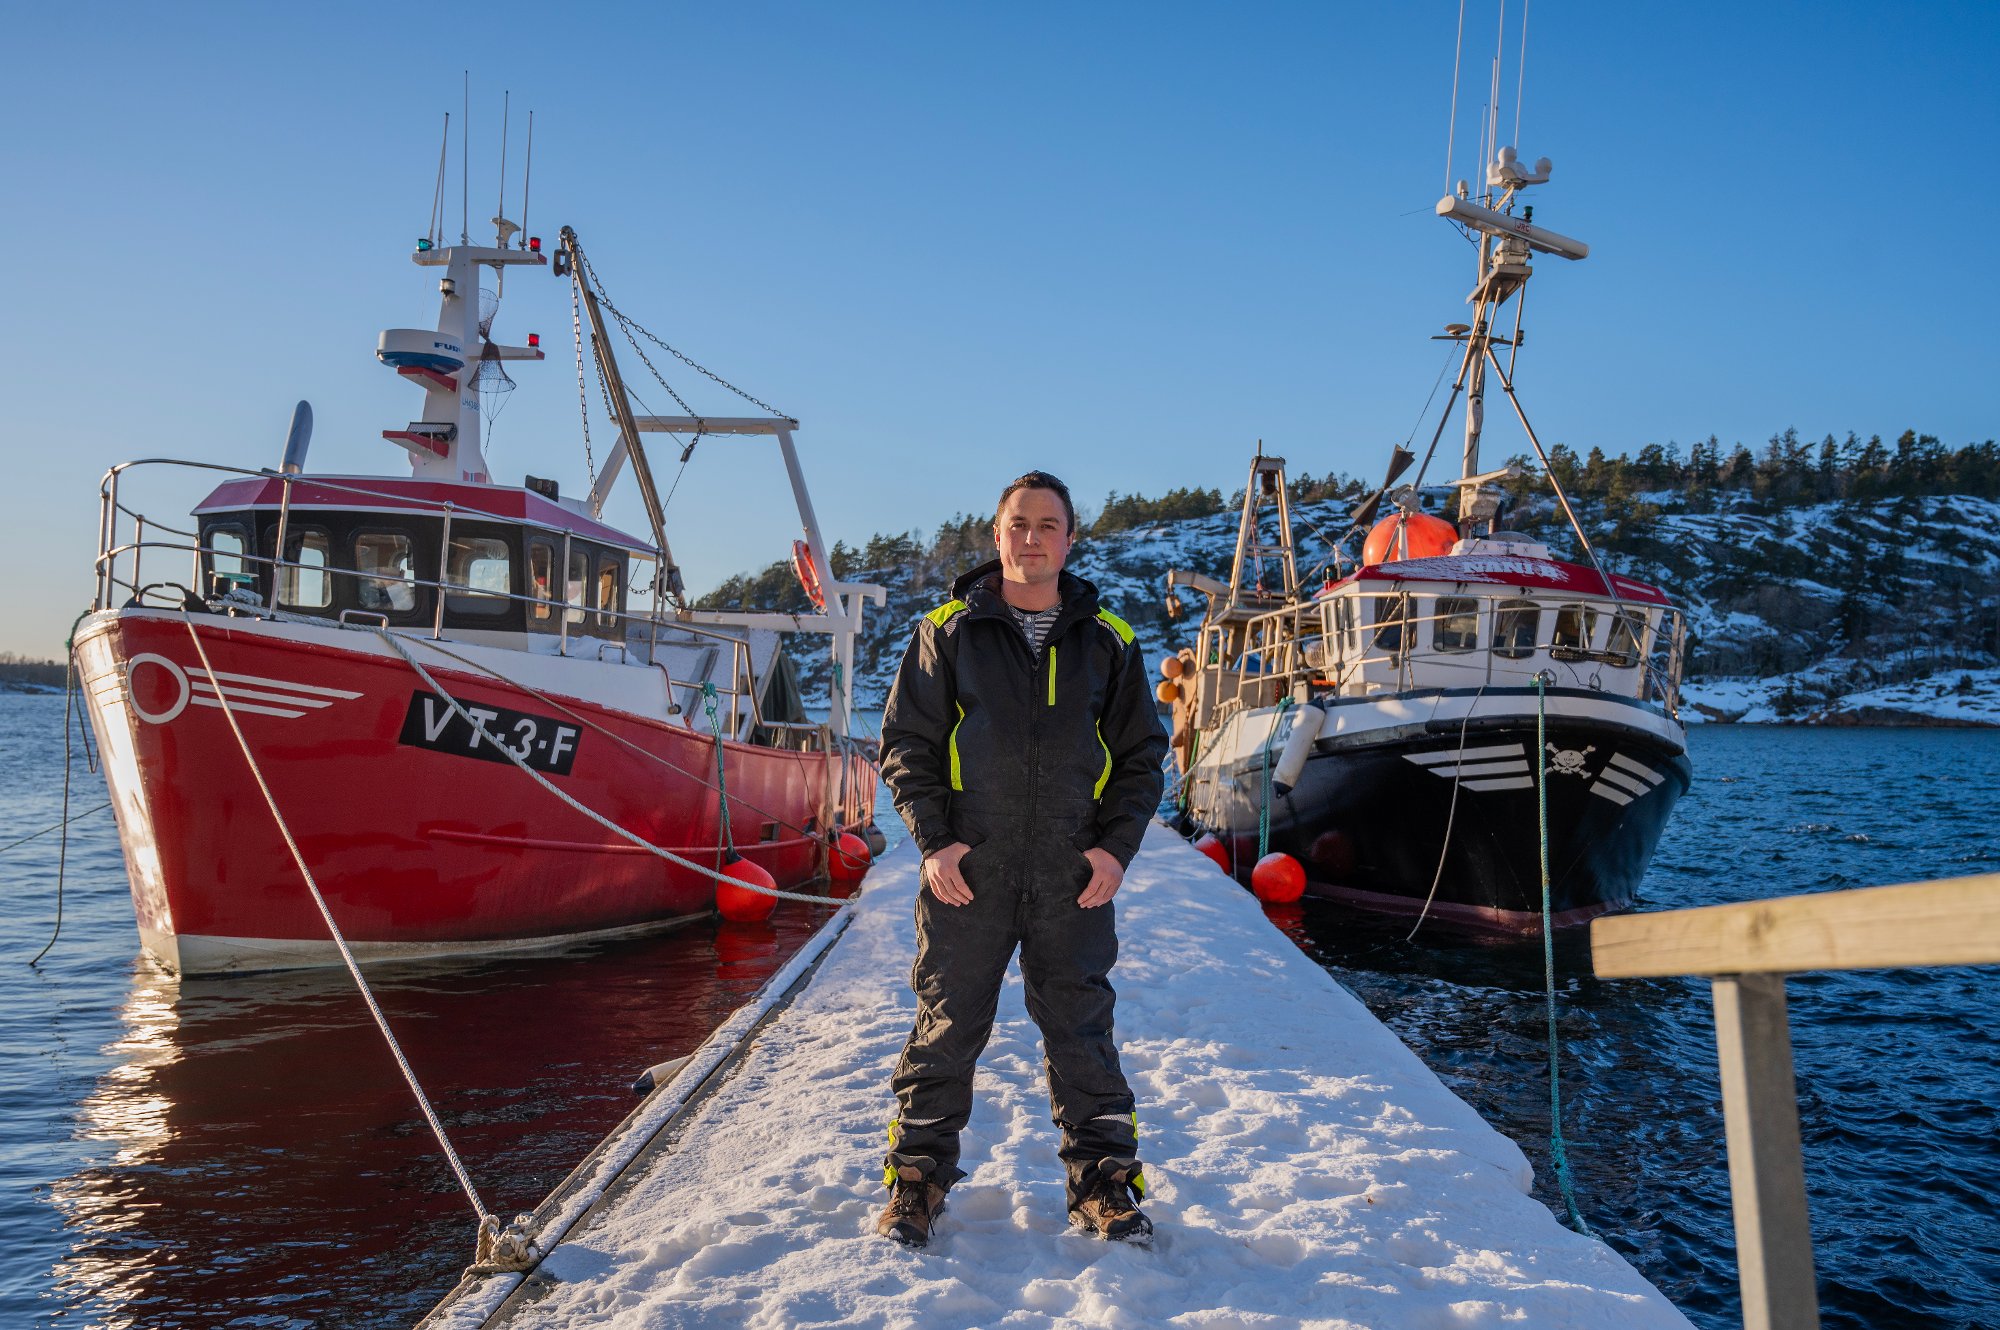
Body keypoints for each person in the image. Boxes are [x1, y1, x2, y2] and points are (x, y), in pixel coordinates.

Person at [874, 470, 1168, 1248]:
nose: (1032, 537)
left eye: (1048, 524)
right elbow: (907, 744)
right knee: (946, 1026)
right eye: (1019, 523)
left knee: (1082, 1030)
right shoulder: (946, 629)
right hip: (969, 871)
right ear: (996, 534)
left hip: (1070, 874)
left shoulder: (1109, 639)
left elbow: (1142, 756)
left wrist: (1113, 849)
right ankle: (916, 1181)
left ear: (1070, 539)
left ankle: (1104, 1182)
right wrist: (936, 842)